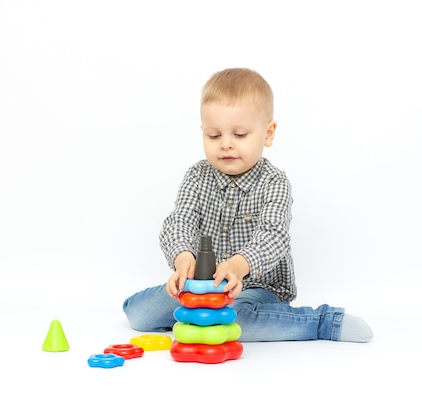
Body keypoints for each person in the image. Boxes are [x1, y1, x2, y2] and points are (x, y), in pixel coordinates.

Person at [123, 68, 373, 343]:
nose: (226, 145)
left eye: (240, 134)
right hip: (205, 285)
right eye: (214, 136)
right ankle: (201, 316)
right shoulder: (197, 176)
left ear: (268, 133)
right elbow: (180, 220)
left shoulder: (274, 181)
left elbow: (273, 236)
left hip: (258, 286)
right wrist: (183, 258)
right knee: (139, 314)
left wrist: (239, 265)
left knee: (238, 320)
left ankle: (323, 323)